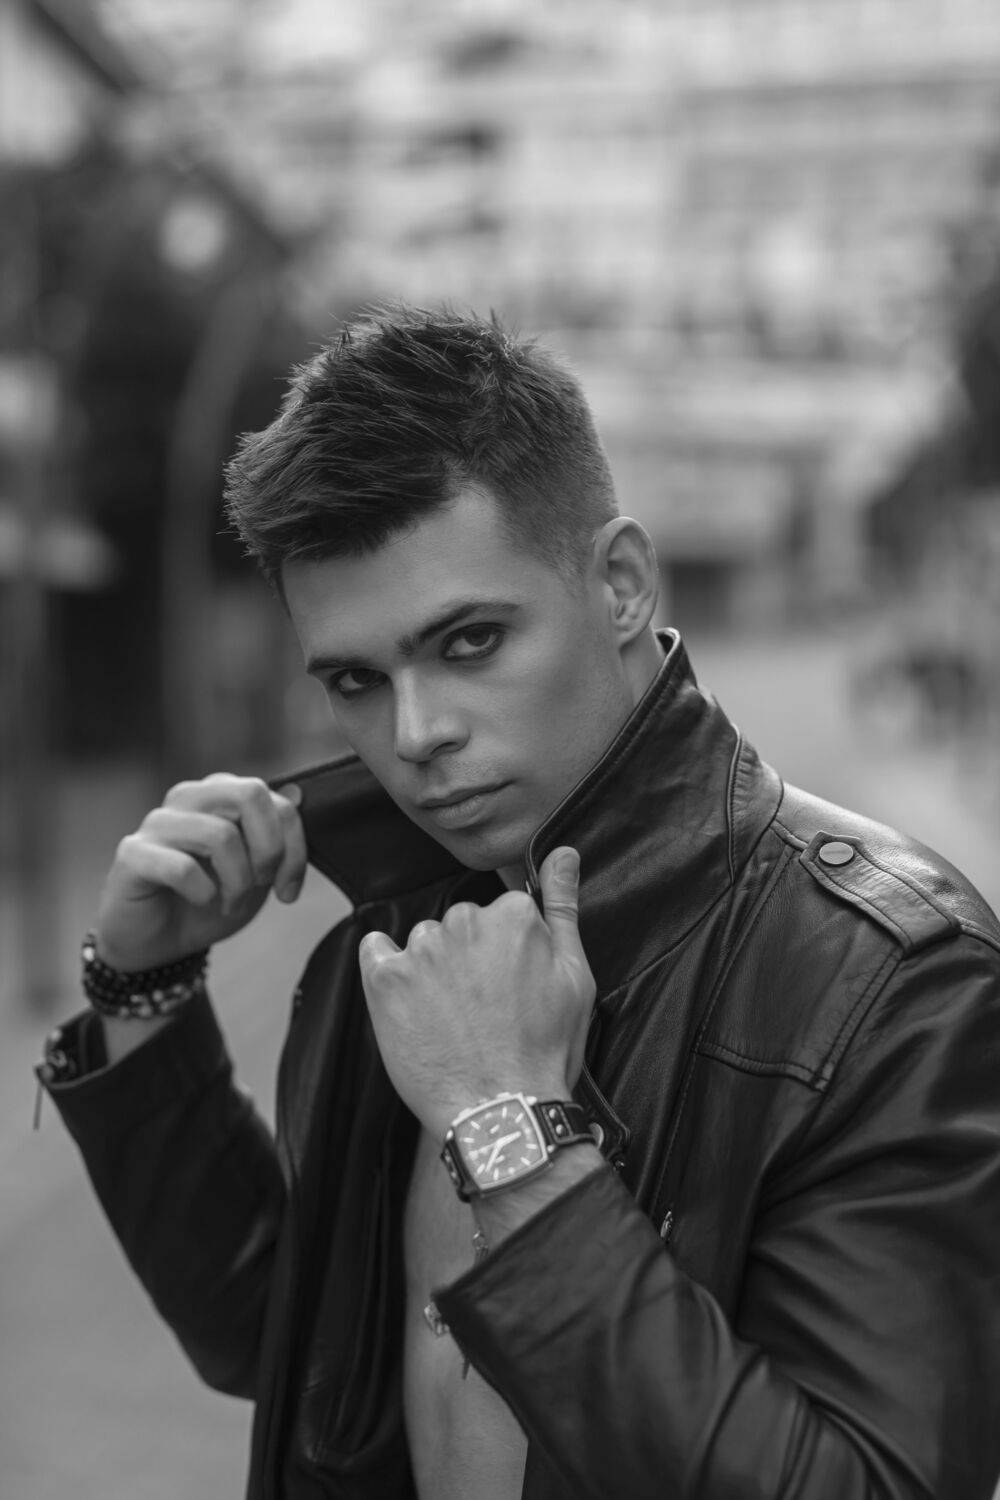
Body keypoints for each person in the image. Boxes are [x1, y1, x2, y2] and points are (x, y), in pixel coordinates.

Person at [39, 306, 1000, 1500]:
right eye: (356, 679)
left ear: (620, 584)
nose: (416, 734)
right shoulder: (397, 946)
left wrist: (512, 1135)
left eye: (471, 642)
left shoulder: (889, 981)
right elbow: (288, 1344)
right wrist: (143, 991)